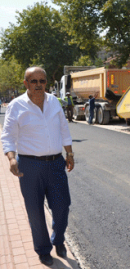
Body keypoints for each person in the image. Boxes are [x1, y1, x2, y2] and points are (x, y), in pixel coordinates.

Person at [1, 66, 74, 266]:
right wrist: (11, 158)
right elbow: (7, 135)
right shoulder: (16, 106)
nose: (39, 85)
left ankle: (58, 240)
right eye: (34, 81)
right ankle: (43, 250)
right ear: (26, 83)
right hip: (29, 166)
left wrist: (69, 153)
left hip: (56, 163)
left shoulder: (54, 103)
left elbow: (63, 128)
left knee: (62, 206)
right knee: (34, 211)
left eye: (42, 81)